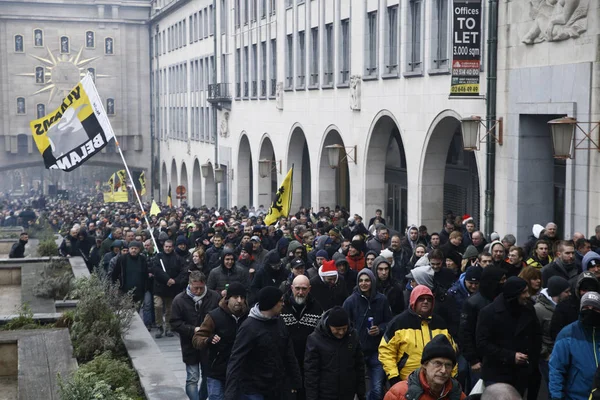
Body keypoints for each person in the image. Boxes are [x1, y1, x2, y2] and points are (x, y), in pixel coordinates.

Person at [224, 287, 301, 400]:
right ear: (271, 303)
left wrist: (296, 382)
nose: (283, 304)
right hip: (253, 389)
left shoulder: (279, 322)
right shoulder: (249, 327)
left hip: (276, 387)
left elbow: (289, 354)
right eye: (280, 301)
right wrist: (229, 394)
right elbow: (236, 360)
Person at [475, 276, 542, 396]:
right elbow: (482, 343)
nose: (527, 295)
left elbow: (536, 336)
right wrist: (510, 356)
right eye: (524, 292)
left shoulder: (528, 308)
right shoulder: (489, 313)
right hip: (497, 373)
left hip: (521, 373)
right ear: (514, 294)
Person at [379, 285, 457, 384]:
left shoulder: (440, 323)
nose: (425, 302)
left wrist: (453, 375)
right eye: (421, 299)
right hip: (406, 381)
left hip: (436, 382)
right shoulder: (398, 323)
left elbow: (451, 351)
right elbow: (386, 351)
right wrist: (393, 376)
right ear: (413, 301)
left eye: (429, 299)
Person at [192, 282, 249, 400]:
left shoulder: (248, 317)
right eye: (236, 297)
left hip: (242, 373)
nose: (239, 300)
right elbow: (197, 339)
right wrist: (208, 340)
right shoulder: (214, 316)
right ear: (228, 298)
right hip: (217, 372)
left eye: (242, 297)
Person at [171, 270, 221, 400]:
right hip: (189, 343)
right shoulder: (179, 300)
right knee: (192, 377)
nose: (198, 291)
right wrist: (193, 329)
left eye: (201, 288)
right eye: (195, 288)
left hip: (208, 344)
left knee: (207, 376)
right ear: (189, 285)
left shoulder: (214, 297)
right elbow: (175, 323)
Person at [343, 268, 392, 400]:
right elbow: (344, 325)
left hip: (377, 350)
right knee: (357, 389)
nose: (363, 283)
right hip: (357, 351)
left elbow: (390, 322)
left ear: (372, 282)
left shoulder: (382, 300)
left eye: (367, 280)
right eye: (361, 281)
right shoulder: (350, 302)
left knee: (376, 389)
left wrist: (380, 329)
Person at [458, 267, 506, 393]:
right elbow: (465, 332)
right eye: (502, 280)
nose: (504, 283)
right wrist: (473, 359)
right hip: (480, 360)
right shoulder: (473, 303)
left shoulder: (501, 300)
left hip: (498, 357)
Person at [304, 307, 366, 400]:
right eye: (337, 329)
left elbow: (359, 366)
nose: (341, 333)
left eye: (344, 329)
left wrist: (361, 393)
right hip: (325, 394)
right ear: (329, 326)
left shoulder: (353, 336)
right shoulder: (315, 340)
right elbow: (311, 372)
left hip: (347, 393)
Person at [549, 292, 600, 400]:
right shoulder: (567, 334)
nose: (590, 311)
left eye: (595, 308)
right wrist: (557, 397)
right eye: (586, 307)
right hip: (575, 397)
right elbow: (556, 369)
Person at [384, 334, 466, 400]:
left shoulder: (458, 395)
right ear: (425, 365)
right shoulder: (399, 393)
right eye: (438, 363)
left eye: (448, 365)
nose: (443, 370)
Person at [281, 275, 323, 399]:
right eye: (297, 288)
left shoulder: (317, 308)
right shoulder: (281, 307)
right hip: (286, 364)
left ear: (309, 289)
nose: (300, 292)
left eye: (304, 289)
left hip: (309, 364)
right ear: (291, 288)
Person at [534, 276, 571, 392]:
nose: (569, 294)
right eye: (566, 292)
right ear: (557, 293)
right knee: (554, 389)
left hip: (564, 354)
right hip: (548, 357)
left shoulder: (565, 306)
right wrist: (545, 354)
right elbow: (534, 336)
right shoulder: (538, 310)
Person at [550, 271, 600, 340]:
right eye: (584, 289)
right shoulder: (564, 307)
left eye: (591, 289)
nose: (587, 293)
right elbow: (555, 334)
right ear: (578, 289)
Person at [153, 239, 186, 338]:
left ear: (172, 247)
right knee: (158, 306)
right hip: (159, 287)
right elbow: (156, 270)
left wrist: (175, 281)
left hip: (172, 288)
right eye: (166, 246)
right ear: (163, 247)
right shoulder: (158, 257)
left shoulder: (178, 258)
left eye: (170, 246)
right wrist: (167, 279)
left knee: (170, 309)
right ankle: (159, 325)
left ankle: (168, 327)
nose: (168, 248)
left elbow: (182, 272)